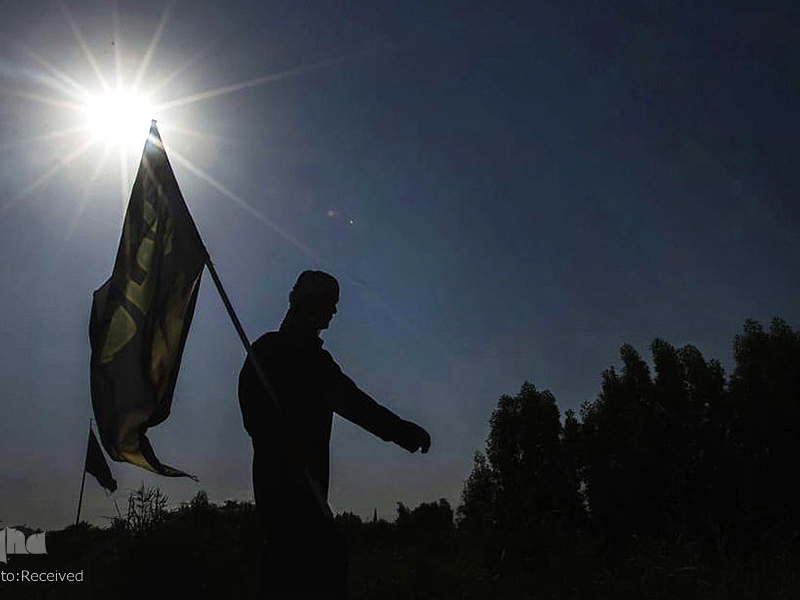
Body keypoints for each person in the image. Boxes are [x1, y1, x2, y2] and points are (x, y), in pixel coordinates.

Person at [238, 270, 431, 597]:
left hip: (308, 486)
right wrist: (281, 440)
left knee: (310, 567)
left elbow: (354, 404)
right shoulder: (272, 351)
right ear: (311, 303)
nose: (335, 311)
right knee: (310, 565)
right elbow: (252, 413)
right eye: (331, 303)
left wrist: (400, 431)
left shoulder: (316, 361)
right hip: (282, 487)